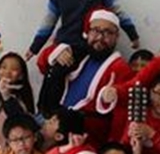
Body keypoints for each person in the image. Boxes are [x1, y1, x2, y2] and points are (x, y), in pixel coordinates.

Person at [35, 8, 134, 142]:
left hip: (85, 136)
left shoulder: (120, 68)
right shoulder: (77, 52)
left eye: (108, 32)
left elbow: (121, 114)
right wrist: (56, 53)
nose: (100, 37)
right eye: (96, 30)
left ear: (116, 36)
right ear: (87, 32)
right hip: (50, 120)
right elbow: (42, 65)